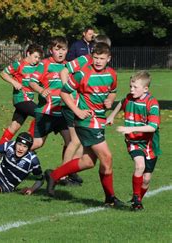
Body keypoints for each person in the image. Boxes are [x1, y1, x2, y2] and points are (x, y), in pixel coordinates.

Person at [44, 43, 123, 207]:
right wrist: (76, 110)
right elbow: (64, 93)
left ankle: (54, 175)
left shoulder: (112, 74)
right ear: (91, 57)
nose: (98, 61)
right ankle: (110, 199)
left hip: (99, 120)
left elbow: (113, 90)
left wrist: (110, 99)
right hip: (87, 121)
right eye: (96, 58)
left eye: (102, 58)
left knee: (88, 161)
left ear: (109, 59)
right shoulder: (81, 74)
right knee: (107, 158)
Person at [58, 35, 112, 186]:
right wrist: (71, 93)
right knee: (75, 141)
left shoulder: (104, 68)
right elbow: (64, 71)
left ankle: (68, 172)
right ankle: (61, 175)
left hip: (87, 110)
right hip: (74, 106)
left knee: (81, 143)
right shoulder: (85, 60)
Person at [106, 71, 160, 211]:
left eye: (135, 87)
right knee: (139, 166)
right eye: (131, 86)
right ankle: (136, 201)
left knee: (146, 179)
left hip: (150, 144)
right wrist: (111, 116)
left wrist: (131, 129)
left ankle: (138, 198)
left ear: (145, 89)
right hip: (134, 142)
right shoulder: (129, 98)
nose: (131, 90)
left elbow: (153, 127)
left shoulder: (152, 103)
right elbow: (122, 103)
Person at [28, 37, 70, 157]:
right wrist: (41, 90)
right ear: (51, 50)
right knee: (37, 143)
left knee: (71, 142)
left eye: (63, 49)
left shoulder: (69, 66)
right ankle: (11, 158)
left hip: (63, 112)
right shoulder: (44, 64)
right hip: (46, 113)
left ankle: (65, 173)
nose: (61, 52)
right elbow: (32, 82)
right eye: (57, 49)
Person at [0, 44, 43, 145]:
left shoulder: (37, 67)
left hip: (28, 100)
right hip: (21, 99)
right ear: (28, 54)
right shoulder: (18, 65)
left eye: (39, 58)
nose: (37, 60)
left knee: (14, 126)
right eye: (35, 57)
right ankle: (29, 143)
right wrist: (14, 82)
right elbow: (3, 73)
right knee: (41, 114)